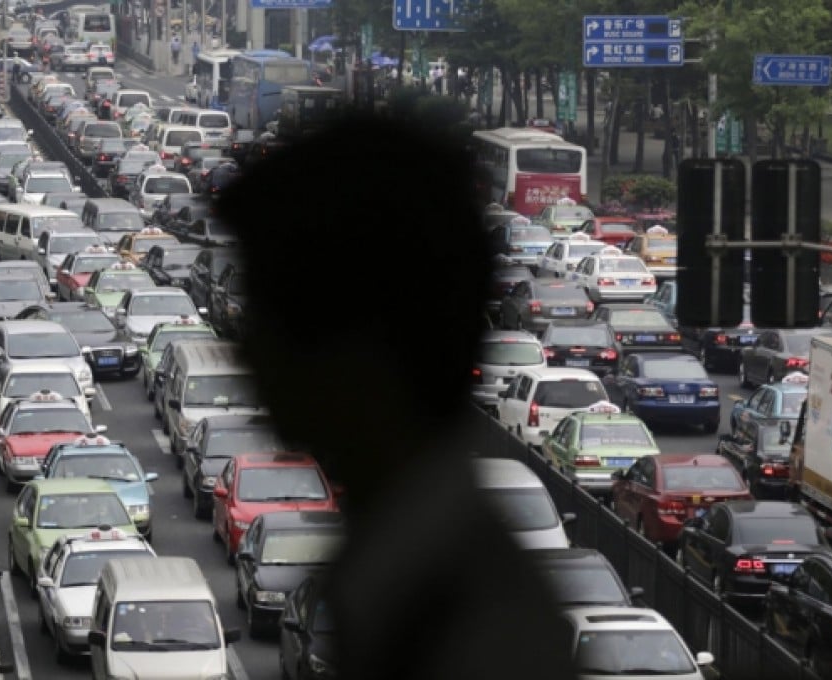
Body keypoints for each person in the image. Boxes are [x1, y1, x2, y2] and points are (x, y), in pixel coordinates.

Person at [218, 114, 577, 680]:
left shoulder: (448, 614)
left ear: (361, 341)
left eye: (272, 312)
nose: (247, 351)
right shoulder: (403, 563)